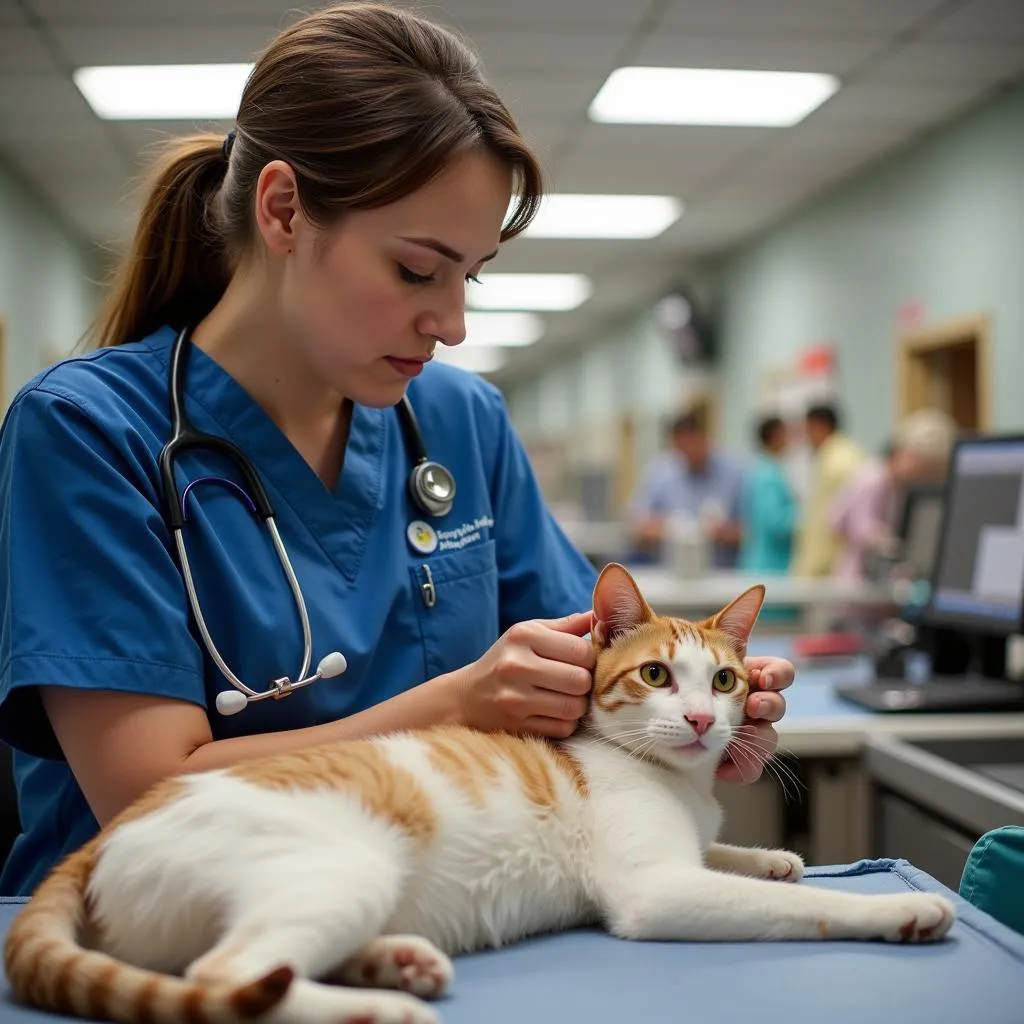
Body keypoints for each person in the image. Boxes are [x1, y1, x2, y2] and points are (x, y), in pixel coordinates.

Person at [0, 3, 794, 898]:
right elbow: (146, 792)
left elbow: (594, 681)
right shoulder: (89, 431)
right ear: (284, 209)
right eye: (418, 270)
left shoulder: (460, 421)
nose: (450, 323)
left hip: (421, 917)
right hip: (152, 931)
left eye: (469, 276)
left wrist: (704, 709)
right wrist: (455, 703)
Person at [829, 409, 957, 581]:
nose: (921, 479)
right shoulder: (872, 479)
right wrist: (889, 544)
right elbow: (859, 528)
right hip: (858, 582)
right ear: (901, 453)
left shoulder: (905, 490)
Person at [629, 412, 746, 569]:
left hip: (722, 574)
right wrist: (671, 527)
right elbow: (638, 526)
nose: (687, 453)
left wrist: (717, 531)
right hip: (669, 573)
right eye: (680, 447)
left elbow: (751, 533)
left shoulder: (735, 473)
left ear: (705, 439)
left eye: (691, 444)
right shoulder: (659, 472)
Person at [791, 402, 866, 578]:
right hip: (830, 567)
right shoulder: (839, 455)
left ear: (820, 426)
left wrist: (815, 567)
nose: (807, 437)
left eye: (808, 430)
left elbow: (829, 522)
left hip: (830, 569)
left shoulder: (838, 463)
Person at [739, 415, 798, 574]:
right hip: (769, 566)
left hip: (763, 561)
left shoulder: (760, 468)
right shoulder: (767, 475)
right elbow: (775, 522)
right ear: (775, 436)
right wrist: (806, 515)